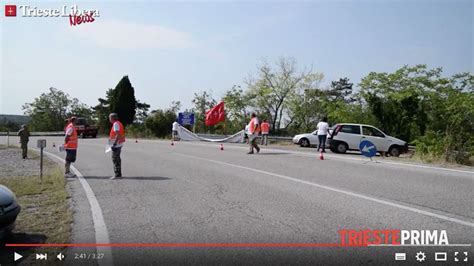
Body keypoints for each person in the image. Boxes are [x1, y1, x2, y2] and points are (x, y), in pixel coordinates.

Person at [109, 113, 126, 179]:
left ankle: (117, 174)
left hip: (116, 144)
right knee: (117, 159)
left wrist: (114, 144)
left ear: (112, 118)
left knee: (115, 159)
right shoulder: (119, 123)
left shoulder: (116, 124)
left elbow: (118, 134)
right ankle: (118, 174)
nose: (109, 119)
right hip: (119, 144)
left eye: (109, 118)